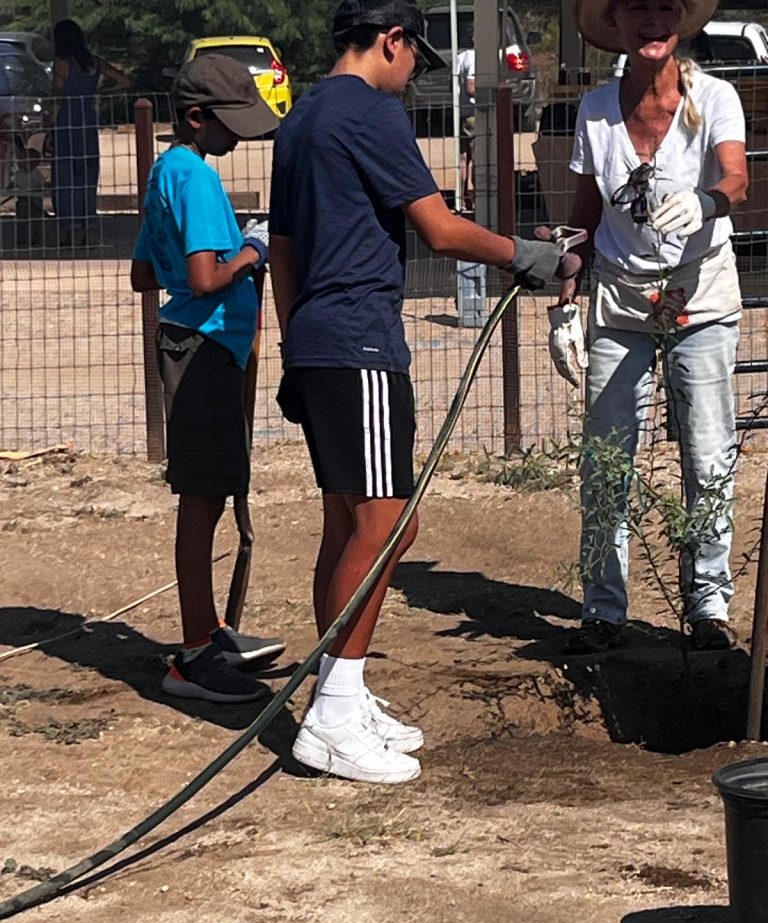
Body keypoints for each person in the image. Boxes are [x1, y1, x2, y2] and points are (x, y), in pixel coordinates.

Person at [269, 0, 571, 783]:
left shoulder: (302, 117)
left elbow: (283, 246)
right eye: (414, 62)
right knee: (386, 528)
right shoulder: (371, 115)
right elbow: (437, 228)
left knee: (352, 524)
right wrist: (529, 254)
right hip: (361, 341)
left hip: (320, 339)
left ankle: (344, 691)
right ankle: (331, 714)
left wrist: (297, 341)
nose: (413, 80)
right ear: (392, 41)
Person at [556, 0, 747, 654]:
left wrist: (705, 200)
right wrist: (564, 301)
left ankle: (708, 605)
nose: (653, 20)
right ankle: (603, 608)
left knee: (708, 446)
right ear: (616, 24)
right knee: (607, 455)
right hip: (621, 292)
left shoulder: (713, 96)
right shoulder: (596, 112)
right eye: (638, 7)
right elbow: (582, 216)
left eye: (666, 7)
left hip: (701, 286)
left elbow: (736, 177)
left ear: (681, 22)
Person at [130, 54, 286, 702]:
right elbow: (201, 278)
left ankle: (209, 631)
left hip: (195, 343)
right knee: (201, 500)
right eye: (230, 123)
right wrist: (253, 252)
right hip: (205, 350)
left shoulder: (165, 170)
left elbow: (146, 274)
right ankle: (194, 657)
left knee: (212, 494)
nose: (238, 136)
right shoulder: (194, 177)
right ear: (197, 118)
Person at [52, 19, 132, 246]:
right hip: (87, 118)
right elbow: (125, 80)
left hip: (67, 119)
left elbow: (57, 94)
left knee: (65, 176)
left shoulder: (61, 62)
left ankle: (70, 228)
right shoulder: (94, 62)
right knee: (87, 175)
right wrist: (102, 89)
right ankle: (88, 225)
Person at [13, 147, 46, 248]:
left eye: (23, 161)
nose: (20, 163)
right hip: (22, 200)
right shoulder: (18, 175)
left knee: (36, 220)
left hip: (35, 200)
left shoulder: (37, 175)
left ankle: (36, 238)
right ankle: (21, 239)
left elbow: (41, 186)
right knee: (22, 220)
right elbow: (14, 184)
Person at [456, 37, 475, 209]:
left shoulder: (460, 57)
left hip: (462, 113)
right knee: (479, 158)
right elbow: (471, 86)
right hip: (474, 114)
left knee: (464, 159)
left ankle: (462, 198)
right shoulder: (475, 58)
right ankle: (479, 198)